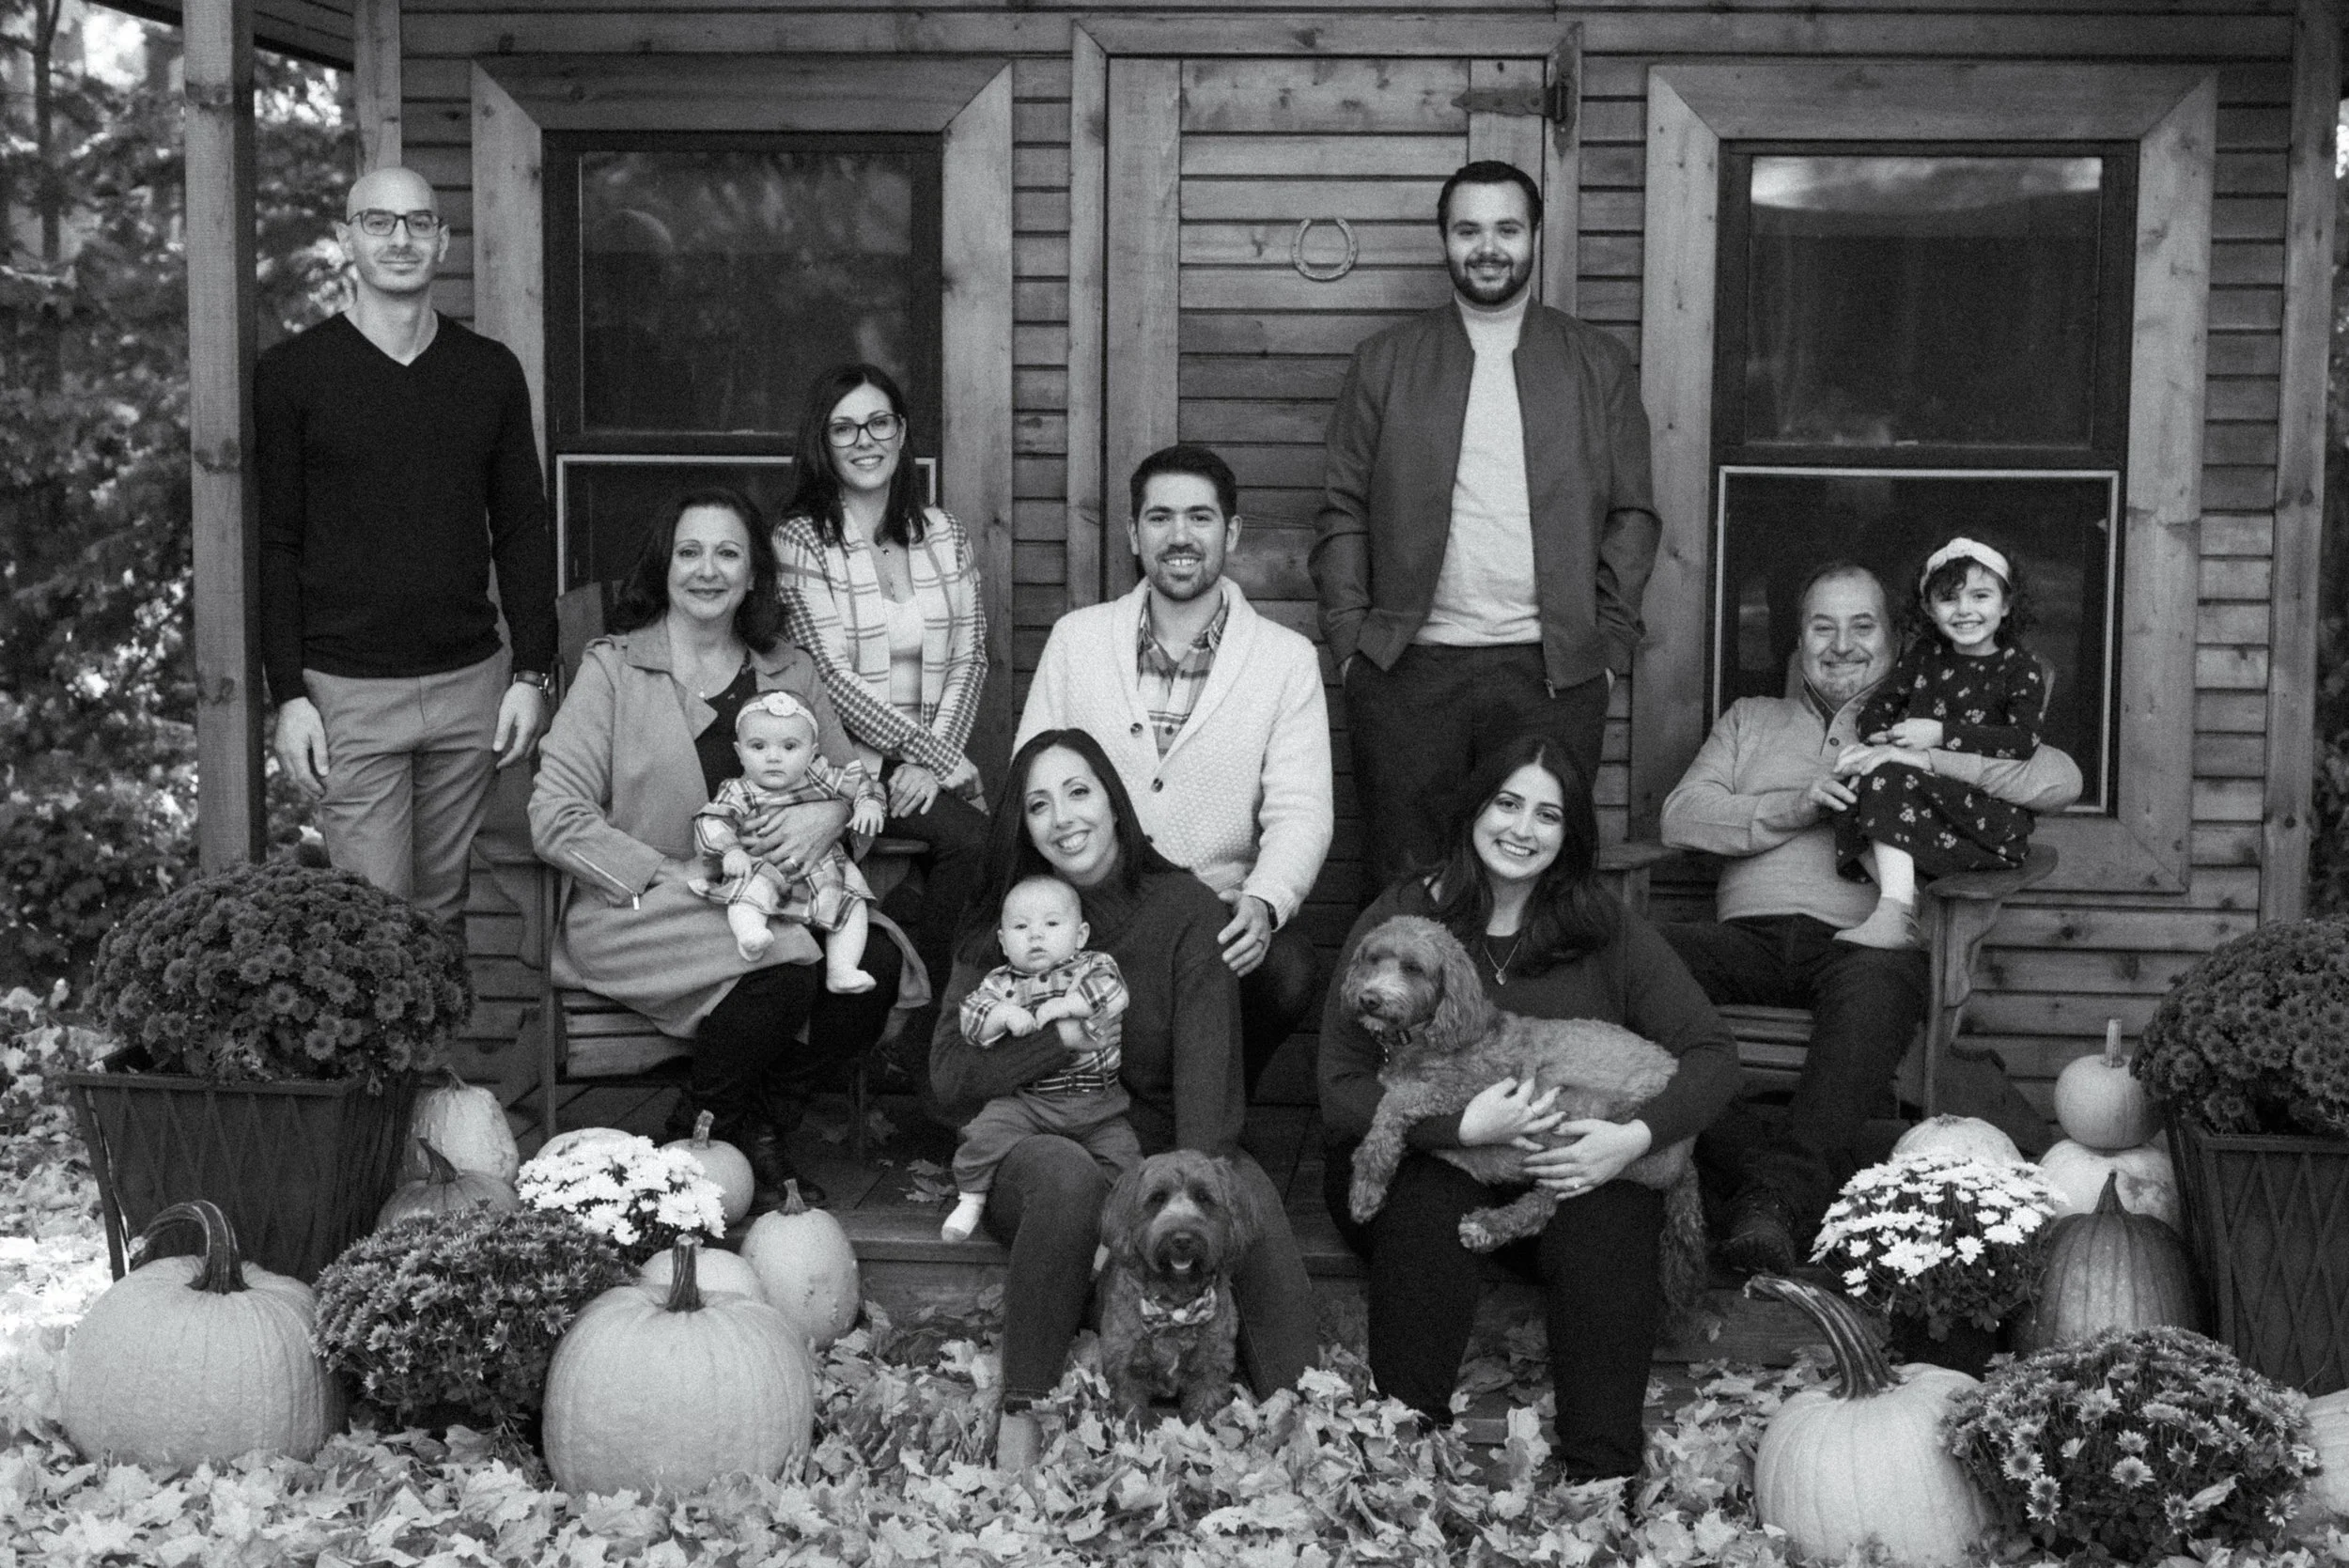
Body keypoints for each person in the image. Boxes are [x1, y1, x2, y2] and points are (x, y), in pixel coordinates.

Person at [1320, 736, 1740, 1484]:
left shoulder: (1603, 928)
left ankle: (1600, 1481)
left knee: (1611, 1218)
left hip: (1561, 1174)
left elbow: (1711, 1054)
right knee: (1424, 1199)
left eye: (1547, 814)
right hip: (1429, 1163)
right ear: (1475, 809)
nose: (1523, 828)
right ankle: (1403, 1462)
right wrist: (1458, 1129)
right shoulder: (1405, 916)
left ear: (1570, 832)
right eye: (1507, 804)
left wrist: (1627, 1139)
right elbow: (1342, 1083)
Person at [1656, 561, 2082, 1276]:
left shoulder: (1927, 716)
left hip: (1860, 952)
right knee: (1632, 958)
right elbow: (1681, 816)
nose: (1842, 643)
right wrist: (1793, 804)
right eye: (1823, 626)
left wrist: (1927, 753)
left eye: (1863, 625)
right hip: (1746, 940)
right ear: (1799, 640)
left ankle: (1773, 1205)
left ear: (1895, 639)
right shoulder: (1749, 720)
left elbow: (2057, 777)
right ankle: (1762, 1183)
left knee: (1882, 979)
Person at [930, 729, 1316, 1470]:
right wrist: (1060, 1043)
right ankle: (1025, 1419)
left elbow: (1208, 1091)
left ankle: (1304, 1429)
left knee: (1240, 1195)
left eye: (1079, 791)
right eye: (1039, 804)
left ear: (1115, 800)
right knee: (1069, 1179)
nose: (1063, 816)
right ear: (1024, 824)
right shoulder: (1008, 921)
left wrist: (1199, 1187)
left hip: (1151, 1152)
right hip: (1034, 1140)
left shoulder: (1183, 909)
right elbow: (947, 1078)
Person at [531, 488, 904, 1211]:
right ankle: (716, 1130)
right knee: (790, 963)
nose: (708, 569)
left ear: (754, 573)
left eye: (728, 552)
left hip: (777, 899)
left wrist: (828, 816)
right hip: (641, 908)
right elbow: (554, 814)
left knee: (878, 961)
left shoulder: (788, 671)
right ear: (664, 566)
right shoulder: (612, 670)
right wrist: (662, 869)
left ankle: (752, 1122)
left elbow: (859, 790)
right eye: (690, 551)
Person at [1312, 160, 1659, 893]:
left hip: (1552, 672)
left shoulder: (1596, 362)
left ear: (1535, 236)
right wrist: (1352, 647)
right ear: (1444, 240)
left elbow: (1633, 513)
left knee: (1538, 889)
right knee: (1408, 888)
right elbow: (1342, 509)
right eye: (1468, 229)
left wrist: (1609, 646)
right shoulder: (1385, 362)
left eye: (1506, 228)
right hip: (1408, 673)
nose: (1488, 246)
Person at [257, 165, 555, 930]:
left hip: (470, 684)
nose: (401, 238)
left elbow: (521, 524)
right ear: (348, 238)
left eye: (419, 222)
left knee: (442, 911)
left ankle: (430, 1057)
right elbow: (277, 542)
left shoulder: (487, 372)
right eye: (380, 222)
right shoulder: (294, 375)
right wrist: (288, 693)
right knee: (375, 917)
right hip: (349, 690)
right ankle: (390, 1058)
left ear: (443, 240)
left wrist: (532, 669)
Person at [1019, 443, 1331, 1096]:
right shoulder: (1078, 640)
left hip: (1213, 911)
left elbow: (1301, 810)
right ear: (1134, 533)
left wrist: (1265, 900)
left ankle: (1211, 1115)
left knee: (1291, 967)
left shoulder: (1285, 659)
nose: (1180, 536)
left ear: (1232, 531)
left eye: (1200, 517)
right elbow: (1031, 778)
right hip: (1091, 908)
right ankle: (1100, 1112)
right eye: (1160, 518)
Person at [774, 364, 990, 1049]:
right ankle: (916, 1029)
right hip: (842, 766)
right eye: (844, 427)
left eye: (880, 422)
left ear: (901, 432)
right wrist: (933, 757)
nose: (864, 439)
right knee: (976, 840)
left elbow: (970, 654)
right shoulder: (802, 540)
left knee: (986, 847)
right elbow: (830, 678)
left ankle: (909, 1014)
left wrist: (931, 760)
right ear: (823, 442)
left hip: (921, 765)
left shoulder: (944, 533)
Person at [1832, 538, 2046, 950]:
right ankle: (1903, 901)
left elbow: (2022, 742)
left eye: (1980, 596)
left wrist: (1939, 734)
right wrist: (1884, 738)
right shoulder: (1926, 655)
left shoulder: (2019, 668)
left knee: (1884, 779)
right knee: (1845, 786)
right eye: (1949, 599)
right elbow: (1877, 710)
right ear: (1929, 609)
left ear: (2006, 604)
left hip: (1987, 816)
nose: (1965, 610)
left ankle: (1895, 912)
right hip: (1926, 800)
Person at [939, 874, 1138, 1244]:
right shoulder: (1000, 983)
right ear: (1002, 940)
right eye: (1020, 926)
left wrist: (1067, 1005)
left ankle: (1117, 1234)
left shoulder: (1094, 966)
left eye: (1051, 924)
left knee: (1125, 1160)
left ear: (1079, 935)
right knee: (983, 1134)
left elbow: (1114, 993)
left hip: (1099, 1103)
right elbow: (972, 1020)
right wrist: (1003, 1016)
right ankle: (971, 1198)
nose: (1035, 935)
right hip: (1030, 1102)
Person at [690, 691, 885, 986]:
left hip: (822, 869)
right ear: (739, 752)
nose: (773, 757)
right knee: (747, 893)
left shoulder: (823, 777)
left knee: (852, 905)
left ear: (812, 752)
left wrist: (869, 803)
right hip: (763, 865)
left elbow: (863, 784)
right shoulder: (739, 791)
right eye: (758, 746)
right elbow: (713, 820)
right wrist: (731, 851)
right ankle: (750, 936)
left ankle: (842, 968)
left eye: (790, 746)